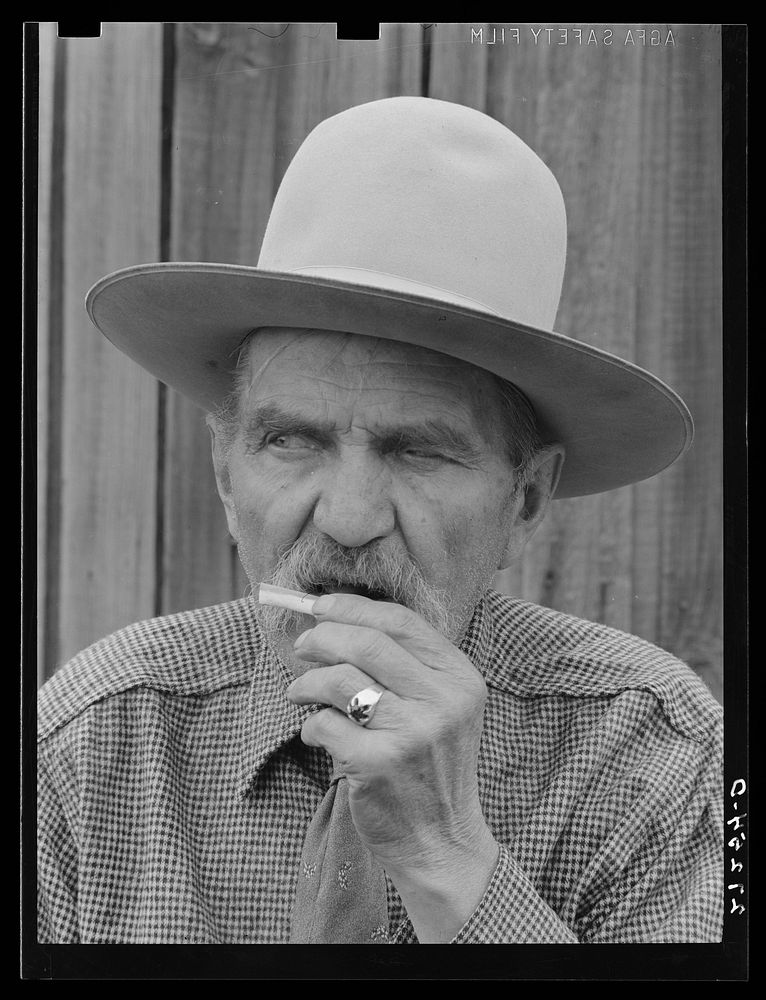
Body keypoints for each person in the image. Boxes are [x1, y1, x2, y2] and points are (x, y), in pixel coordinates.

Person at [37, 97, 723, 944]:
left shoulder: (664, 754)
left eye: (419, 451)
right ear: (225, 473)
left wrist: (448, 854)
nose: (349, 518)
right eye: (291, 440)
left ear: (527, 502)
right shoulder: (95, 738)